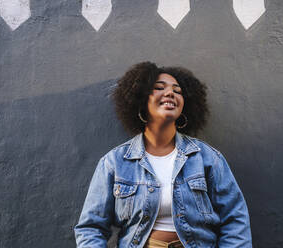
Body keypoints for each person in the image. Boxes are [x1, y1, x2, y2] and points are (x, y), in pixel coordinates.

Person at [74, 62, 252, 248]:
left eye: (178, 91)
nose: (170, 93)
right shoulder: (115, 162)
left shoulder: (207, 158)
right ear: (141, 99)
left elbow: (235, 219)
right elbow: (91, 228)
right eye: (159, 88)